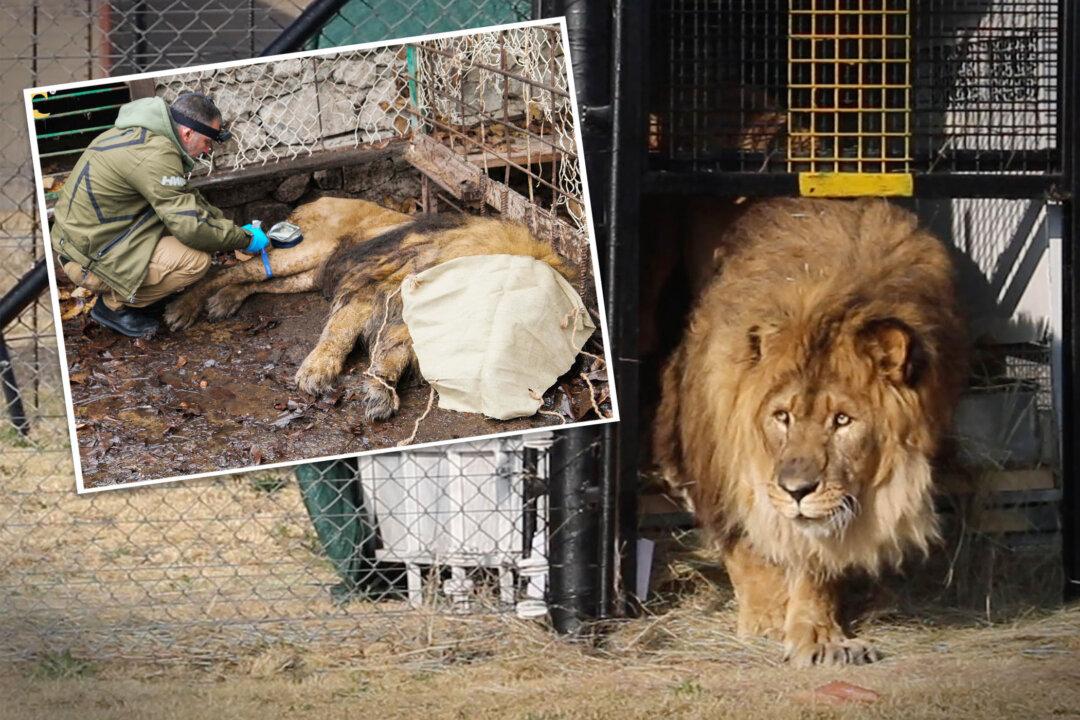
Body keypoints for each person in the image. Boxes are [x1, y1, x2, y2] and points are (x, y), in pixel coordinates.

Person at [50, 92, 269, 337]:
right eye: (208, 142)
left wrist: (232, 228)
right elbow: (192, 228)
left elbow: (187, 200)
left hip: (91, 239)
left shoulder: (142, 135)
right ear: (187, 133)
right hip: (87, 259)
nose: (208, 151)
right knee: (196, 260)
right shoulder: (156, 154)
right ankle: (113, 306)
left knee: (193, 233)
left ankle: (134, 291)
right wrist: (246, 240)